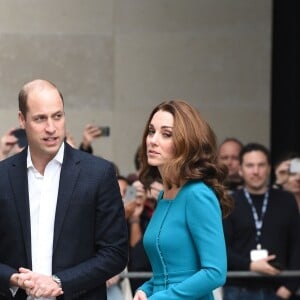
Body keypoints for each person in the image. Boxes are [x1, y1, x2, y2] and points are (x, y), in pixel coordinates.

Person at [0, 79, 128, 300]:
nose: (51, 128)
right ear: (22, 120)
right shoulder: (3, 176)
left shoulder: (98, 174)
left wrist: (59, 282)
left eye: (57, 116)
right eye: (40, 119)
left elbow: (115, 253)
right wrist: (13, 278)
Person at [133, 100, 233, 300]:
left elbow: (215, 272)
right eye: (151, 131)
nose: (153, 140)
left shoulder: (197, 194)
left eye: (166, 134)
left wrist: (160, 297)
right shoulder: (164, 195)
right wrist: (146, 289)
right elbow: (167, 271)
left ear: (186, 144)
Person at [223, 143, 300, 300]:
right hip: (238, 289)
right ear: (240, 170)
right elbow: (222, 248)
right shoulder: (229, 202)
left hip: (279, 289)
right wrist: (249, 265)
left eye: (261, 165)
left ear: (269, 168)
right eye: (250, 166)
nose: (256, 171)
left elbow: (297, 244)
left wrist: (291, 286)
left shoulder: (286, 200)